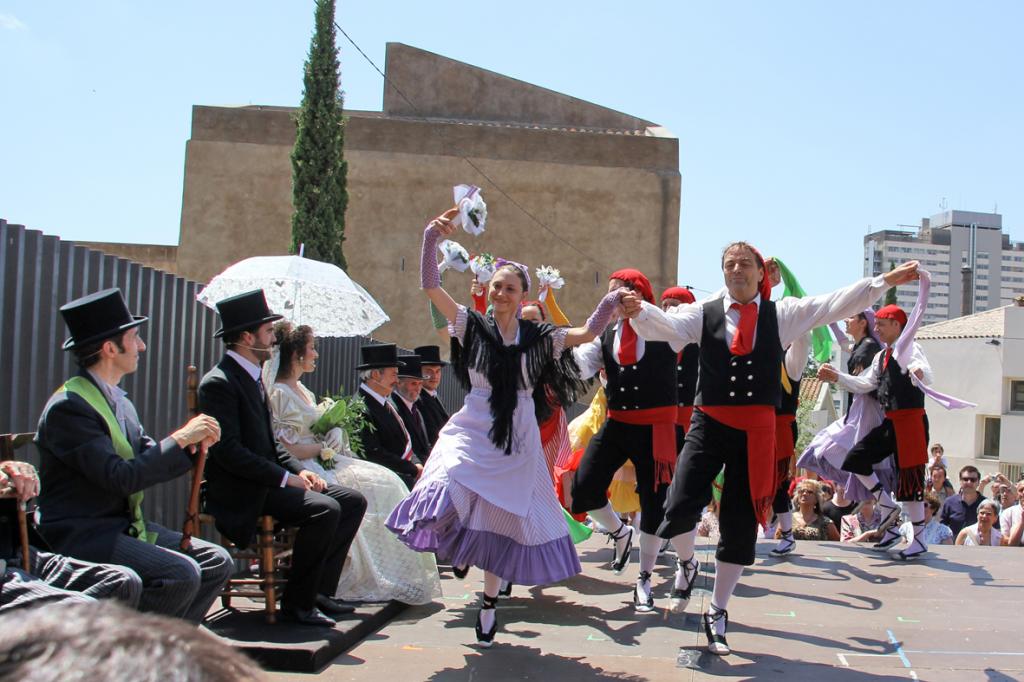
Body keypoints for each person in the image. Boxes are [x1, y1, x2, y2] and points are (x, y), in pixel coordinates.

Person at [621, 242, 920, 655]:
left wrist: (882, 282)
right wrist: (641, 311)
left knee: (741, 526)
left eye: (746, 264)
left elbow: (833, 303)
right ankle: (688, 564)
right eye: (730, 264)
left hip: (756, 430)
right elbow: (667, 329)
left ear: (762, 275)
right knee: (678, 504)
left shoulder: (782, 314)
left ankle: (719, 610)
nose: (737, 270)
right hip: (708, 421)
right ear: (722, 272)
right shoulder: (705, 312)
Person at [387, 207, 608, 647]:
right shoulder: (471, 325)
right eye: (496, 287)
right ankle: (455, 547)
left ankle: (489, 604)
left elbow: (585, 334)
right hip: (474, 421)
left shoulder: (542, 337)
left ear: (523, 292)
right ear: (487, 293)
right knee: (444, 478)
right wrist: (431, 237)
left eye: (509, 288)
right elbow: (431, 286)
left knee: (499, 518)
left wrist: (611, 304)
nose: (501, 293)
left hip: (519, 432)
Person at [35, 288, 232, 623]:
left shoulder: (119, 400)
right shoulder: (69, 407)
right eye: (134, 337)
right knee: (179, 573)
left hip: (122, 526)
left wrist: (192, 446)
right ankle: (139, 656)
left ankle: (173, 650)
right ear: (110, 348)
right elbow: (121, 478)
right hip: (84, 532)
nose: (141, 346)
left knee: (217, 561)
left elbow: (145, 454)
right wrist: (181, 437)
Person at [198, 290, 367, 628]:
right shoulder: (219, 383)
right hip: (241, 489)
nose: (274, 340)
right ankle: (297, 605)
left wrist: (298, 472)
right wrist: (284, 478)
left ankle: (319, 593)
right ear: (248, 337)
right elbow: (229, 453)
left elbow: (273, 445)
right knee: (324, 509)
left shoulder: (254, 379)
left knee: (351, 501)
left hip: (268, 481)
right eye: (268, 332)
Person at [264, 322, 441, 605]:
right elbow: (288, 447)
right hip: (305, 466)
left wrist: (332, 432)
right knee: (372, 489)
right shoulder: (280, 394)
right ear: (297, 354)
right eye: (311, 349)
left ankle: (378, 573)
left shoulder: (305, 392)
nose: (316, 355)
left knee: (385, 482)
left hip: (322, 459)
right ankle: (336, 580)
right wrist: (324, 447)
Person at [570, 269, 687, 616]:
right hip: (618, 422)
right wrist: (557, 346)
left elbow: (682, 328)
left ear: (637, 294)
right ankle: (620, 532)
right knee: (583, 487)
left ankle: (645, 579)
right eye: (608, 295)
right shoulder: (606, 334)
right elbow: (580, 368)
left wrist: (646, 311)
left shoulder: (664, 326)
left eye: (617, 293)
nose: (611, 301)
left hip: (655, 427)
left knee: (654, 505)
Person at [819, 303, 934, 561]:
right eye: (877, 323)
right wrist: (837, 376)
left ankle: (919, 540)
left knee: (911, 481)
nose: (877, 328)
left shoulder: (911, 348)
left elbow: (926, 373)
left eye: (882, 324)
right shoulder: (880, 357)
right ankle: (887, 505)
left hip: (912, 422)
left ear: (897, 325)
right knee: (855, 459)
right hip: (891, 422)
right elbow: (864, 384)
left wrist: (918, 372)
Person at [1, 461, 142, 614]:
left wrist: (15, 477)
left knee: (124, 582)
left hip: (13, 551)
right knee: (84, 609)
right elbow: (120, 475)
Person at [0, 600, 264, 682]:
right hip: (85, 529)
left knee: (204, 564)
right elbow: (122, 479)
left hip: (131, 526)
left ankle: (166, 648)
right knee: (127, 581)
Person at [355, 344, 423, 489]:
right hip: (384, 483)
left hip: (403, 477)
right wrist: (411, 469)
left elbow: (406, 439)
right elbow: (373, 452)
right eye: (393, 374)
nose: (397, 380)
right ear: (375, 375)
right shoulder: (360, 407)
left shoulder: (386, 402)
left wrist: (416, 464)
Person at [768, 333, 812, 556]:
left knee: (777, 486)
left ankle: (787, 535)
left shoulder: (790, 360)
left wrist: (799, 322)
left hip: (779, 429)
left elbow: (803, 340)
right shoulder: (761, 354)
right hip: (755, 426)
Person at [391, 354, 432, 465]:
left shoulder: (415, 409)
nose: (418, 388)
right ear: (399, 383)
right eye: (413, 383)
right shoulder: (393, 408)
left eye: (420, 383)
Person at [842, 310, 882, 414]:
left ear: (863, 323)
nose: (845, 320)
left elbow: (861, 383)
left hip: (864, 411)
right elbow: (843, 344)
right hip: (858, 409)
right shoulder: (859, 346)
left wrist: (835, 377)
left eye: (851, 317)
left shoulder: (867, 347)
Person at [414, 345, 450, 448]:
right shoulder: (417, 399)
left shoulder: (435, 396)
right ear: (419, 372)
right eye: (429, 371)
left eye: (437, 371)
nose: (434, 376)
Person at [939, 465, 987, 537]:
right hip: (953, 546)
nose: (969, 482)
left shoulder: (986, 504)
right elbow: (942, 528)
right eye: (965, 479)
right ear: (960, 481)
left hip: (978, 547)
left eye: (973, 480)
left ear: (978, 482)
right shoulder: (949, 502)